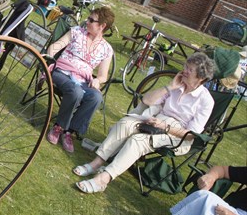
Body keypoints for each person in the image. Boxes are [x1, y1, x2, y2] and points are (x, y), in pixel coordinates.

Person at [73, 52, 215, 193]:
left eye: (190, 70)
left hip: (177, 135)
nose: (184, 71)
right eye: (185, 66)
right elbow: (146, 101)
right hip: (157, 120)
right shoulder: (177, 86)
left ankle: (104, 179)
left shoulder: (206, 101)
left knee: (138, 140)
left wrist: (165, 127)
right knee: (125, 124)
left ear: (200, 78)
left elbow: (191, 135)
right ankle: (97, 163)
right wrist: (170, 86)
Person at [45, 7, 115, 153]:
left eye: (91, 20)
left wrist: (98, 81)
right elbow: (56, 45)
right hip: (62, 72)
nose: (86, 21)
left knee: (96, 97)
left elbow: (103, 75)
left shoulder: (107, 49)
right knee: (76, 92)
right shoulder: (77, 31)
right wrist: (49, 59)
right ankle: (59, 126)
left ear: (102, 26)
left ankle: (69, 131)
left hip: (83, 80)